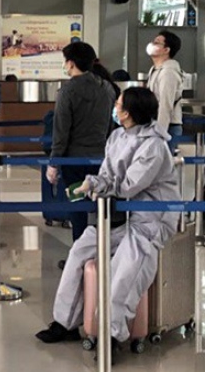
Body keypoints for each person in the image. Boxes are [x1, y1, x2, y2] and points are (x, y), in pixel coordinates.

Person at [36, 87, 181, 356]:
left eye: (118, 104)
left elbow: (129, 185)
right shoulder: (117, 136)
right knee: (78, 252)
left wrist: (96, 185)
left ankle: (112, 335)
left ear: (129, 112)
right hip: (117, 214)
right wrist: (93, 183)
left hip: (149, 220)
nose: (114, 108)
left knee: (123, 272)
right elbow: (107, 174)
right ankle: (65, 322)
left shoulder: (154, 146)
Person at [46, 42, 115, 242]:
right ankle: (103, 250)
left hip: (74, 160)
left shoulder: (68, 91)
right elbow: (110, 124)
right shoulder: (107, 88)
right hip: (102, 156)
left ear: (71, 63)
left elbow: (61, 131)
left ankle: (80, 249)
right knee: (101, 206)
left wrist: (54, 162)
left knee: (77, 207)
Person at [146, 30, 184, 141]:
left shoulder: (168, 72)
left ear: (166, 50)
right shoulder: (155, 69)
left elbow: (165, 105)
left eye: (156, 43)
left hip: (167, 126)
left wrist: (160, 134)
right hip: (156, 123)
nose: (151, 44)